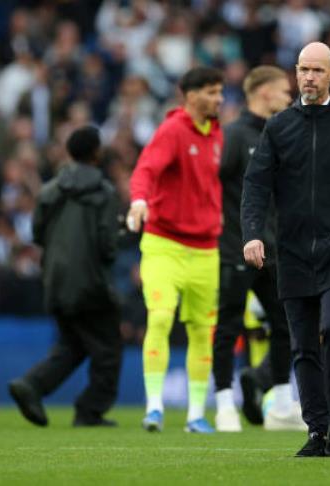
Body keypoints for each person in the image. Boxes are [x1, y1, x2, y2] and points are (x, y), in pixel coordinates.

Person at [242, 42, 330, 457]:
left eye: (317, 70)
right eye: (302, 69)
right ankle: (317, 429)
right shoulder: (280, 126)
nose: (308, 77)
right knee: (302, 345)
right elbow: (256, 184)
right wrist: (252, 232)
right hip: (293, 253)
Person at [126, 66, 224, 434]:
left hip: (205, 250)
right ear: (191, 94)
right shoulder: (171, 131)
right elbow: (146, 170)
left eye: (220, 92)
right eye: (212, 92)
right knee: (161, 317)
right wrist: (139, 201)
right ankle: (153, 408)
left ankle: (196, 414)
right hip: (164, 244)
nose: (219, 99)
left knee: (203, 332)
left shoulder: (216, 135)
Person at [8, 126, 121, 427]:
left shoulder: (49, 191)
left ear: (69, 152)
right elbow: (107, 245)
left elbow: (36, 234)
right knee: (108, 349)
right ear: (97, 152)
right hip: (90, 283)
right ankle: (90, 410)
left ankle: (32, 385)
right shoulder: (104, 192)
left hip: (55, 281)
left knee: (73, 344)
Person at [212, 65, 304, 432]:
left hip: (274, 252)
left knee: (287, 326)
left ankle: (281, 406)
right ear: (264, 93)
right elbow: (213, 189)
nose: (289, 97)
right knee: (228, 327)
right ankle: (223, 406)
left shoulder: (281, 135)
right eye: (284, 91)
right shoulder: (234, 135)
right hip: (235, 249)